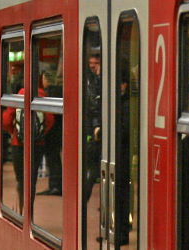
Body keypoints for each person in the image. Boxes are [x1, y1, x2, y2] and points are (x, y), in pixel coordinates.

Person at [81, 54, 103, 247]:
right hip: (94, 134)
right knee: (93, 170)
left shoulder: (96, 81)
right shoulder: (92, 81)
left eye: (96, 63)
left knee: (94, 171)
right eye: (91, 64)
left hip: (96, 132)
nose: (93, 67)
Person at [36, 71, 62, 196]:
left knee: (53, 159)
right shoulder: (60, 91)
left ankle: (55, 186)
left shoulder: (48, 94)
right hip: (58, 130)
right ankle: (55, 185)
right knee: (54, 158)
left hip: (51, 132)